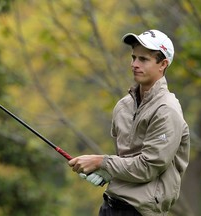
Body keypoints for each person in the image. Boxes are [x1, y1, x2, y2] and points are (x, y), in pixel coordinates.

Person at [68, 29, 190, 216]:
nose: (134, 64)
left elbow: (147, 168)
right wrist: (105, 173)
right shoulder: (123, 106)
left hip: (141, 212)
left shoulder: (167, 110)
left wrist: (101, 162)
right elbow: (126, 159)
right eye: (134, 58)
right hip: (110, 206)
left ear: (163, 64)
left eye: (143, 59)